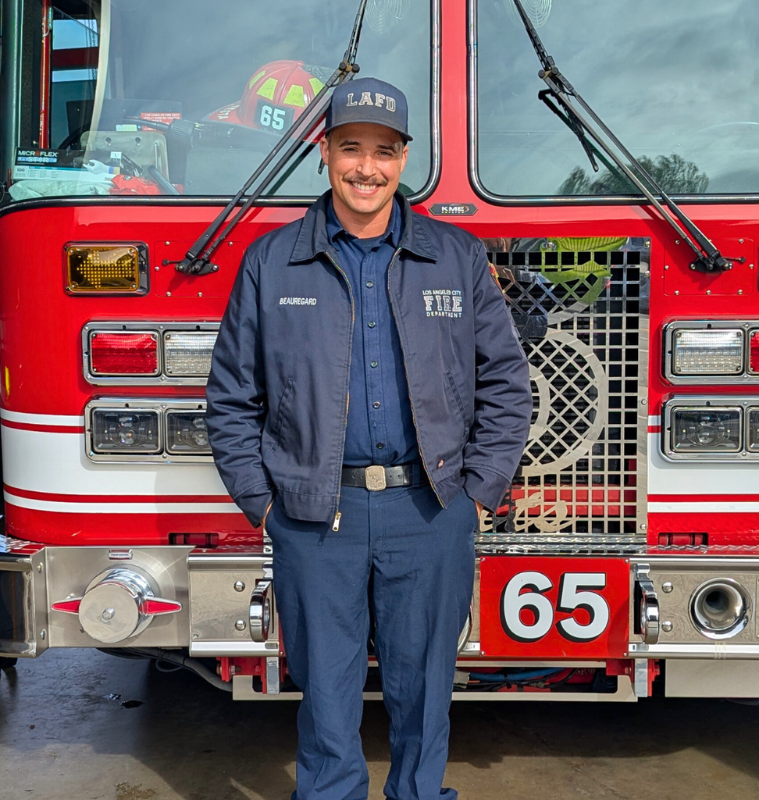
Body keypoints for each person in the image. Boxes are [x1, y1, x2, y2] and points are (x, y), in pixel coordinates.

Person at [206, 77, 532, 800]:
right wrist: (263, 504)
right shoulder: (270, 262)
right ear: (323, 153)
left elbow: (507, 386)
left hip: (430, 511)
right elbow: (230, 396)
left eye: (383, 152)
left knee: (425, 693)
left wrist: (476, 494)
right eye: (350, 148)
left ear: (403, 158)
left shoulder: (455, 257)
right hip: (315, 518)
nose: (366, 167)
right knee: (325, 695)